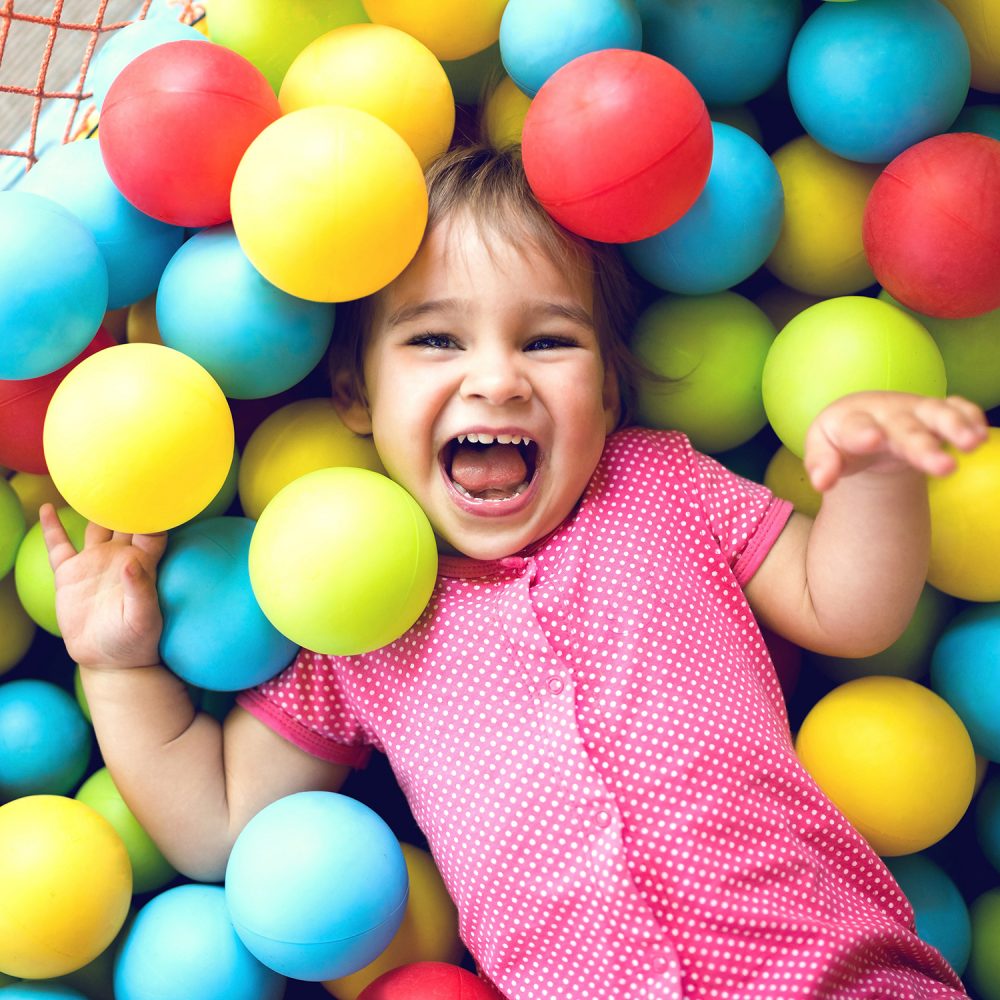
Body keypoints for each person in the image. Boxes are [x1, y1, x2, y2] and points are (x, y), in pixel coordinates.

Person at [42, 144, 985, 1000]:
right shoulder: (355, 618)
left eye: (547, 340)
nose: (497, 379)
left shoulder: (663, 485)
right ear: (356, 397)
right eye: (436, 340)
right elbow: (218, 824)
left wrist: (875, 477)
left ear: (609, 393)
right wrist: (120, 668)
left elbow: (847, 608)